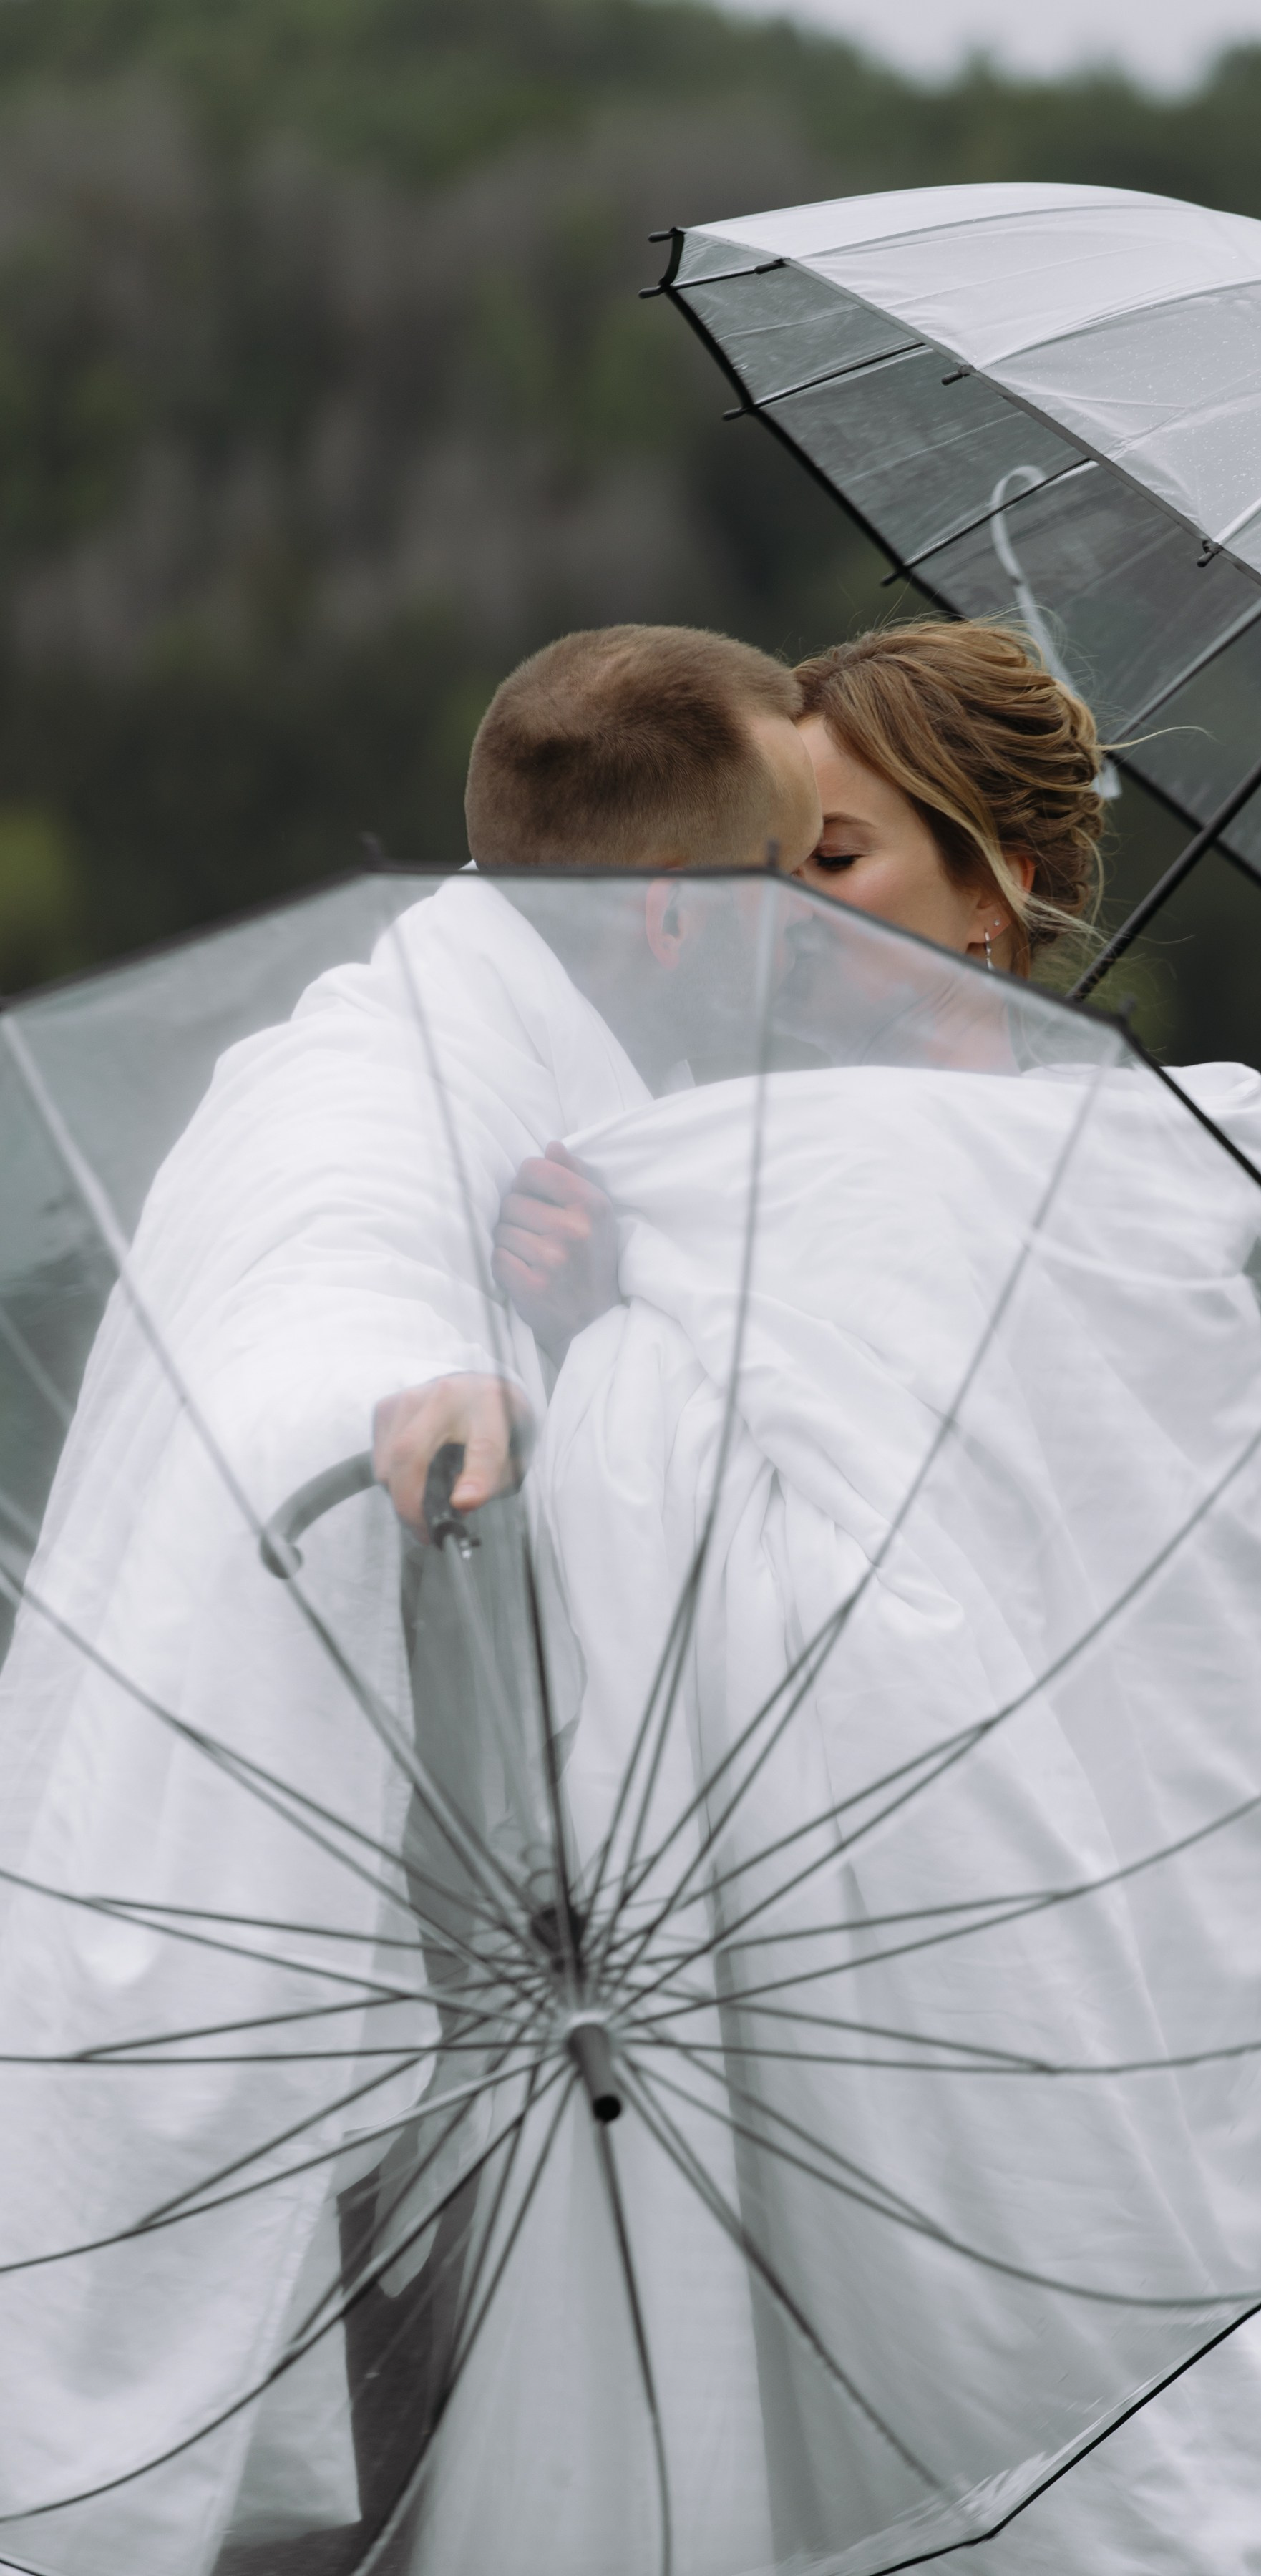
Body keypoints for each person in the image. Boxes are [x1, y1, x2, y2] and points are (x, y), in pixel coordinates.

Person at [482, 619, 1261, 2576]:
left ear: (999, 882)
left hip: (1171, 1986)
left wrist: (621, 1354)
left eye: (829, 862)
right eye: (758, 869)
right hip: (905, 2081)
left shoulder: (1146, 1205)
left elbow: (1109, 1661)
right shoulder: (721, 1192)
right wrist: (613, 1325)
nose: (778, 914)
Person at [0, 626, 822, 2576]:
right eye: (795, 879)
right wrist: (429, 1392)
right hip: (264, 1992)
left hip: (296, 1925)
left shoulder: (414, 1029)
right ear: (683, 921)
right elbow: (331, 1289)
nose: (818, 931)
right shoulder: (364, 1092)